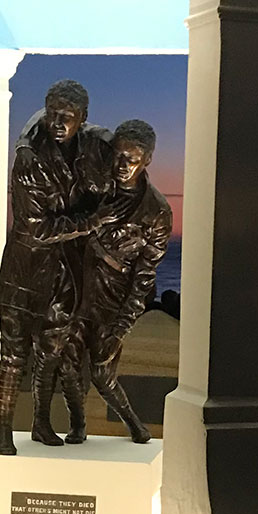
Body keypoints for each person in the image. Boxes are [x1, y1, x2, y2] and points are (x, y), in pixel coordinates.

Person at [0, 80, 111, 455]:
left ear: (83, 120)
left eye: (68, 117)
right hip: (24, 273)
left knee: (51, 355)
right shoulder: (28, 160)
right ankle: (3, 431)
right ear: (45, 112)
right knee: (13, 356)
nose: (59, 122)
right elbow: (37, 228)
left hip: (64, 278)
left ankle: (41, 423)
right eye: (53, 114)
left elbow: (117, 145)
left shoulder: (89, 146)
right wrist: (92, 221)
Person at [58, 119, 173, 446]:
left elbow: (146, 274)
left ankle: (135, 426)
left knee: (102, 374)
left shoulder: (157, 211)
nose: (122, 165)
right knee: (67, 365)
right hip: (77, 284)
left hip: (112, 295)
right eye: (118, 156)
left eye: (132, 159)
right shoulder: (93, 189)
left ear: (147, 160)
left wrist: (122, 325)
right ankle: (77, 424)